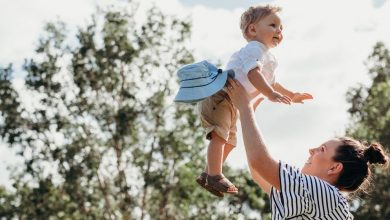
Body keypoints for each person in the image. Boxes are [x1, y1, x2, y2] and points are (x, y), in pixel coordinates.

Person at [225, 77, 389, 219]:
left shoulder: (325, 194)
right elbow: (259, 170)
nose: (311, 150)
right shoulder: (313, 197)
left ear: (335, 167)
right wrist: (247, 115)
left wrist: (245, 108)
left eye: (322, 149)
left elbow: (260, 162)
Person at [196, 5, 313, 197]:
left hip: (232, 103)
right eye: (273, 25)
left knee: (230, 141)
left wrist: (293, 94)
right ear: (252, 29)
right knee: (220, 136)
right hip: (221, 95)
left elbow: (273, 83)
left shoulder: (268, 57)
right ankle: (215, 175)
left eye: (281, 28)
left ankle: (209, 173)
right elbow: (253, 74)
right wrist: (269, 93)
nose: (279, 31)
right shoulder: (253, 49)